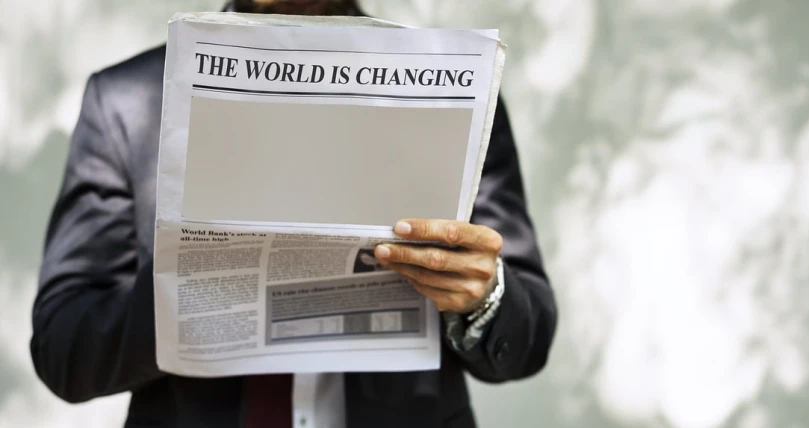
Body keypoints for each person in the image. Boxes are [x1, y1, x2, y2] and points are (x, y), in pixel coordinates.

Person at [30, 1, 556, 427]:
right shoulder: (125, 103)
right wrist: (186, 281)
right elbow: (64, 351)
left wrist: (482, 296)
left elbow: (529, 337)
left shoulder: (455, 93)